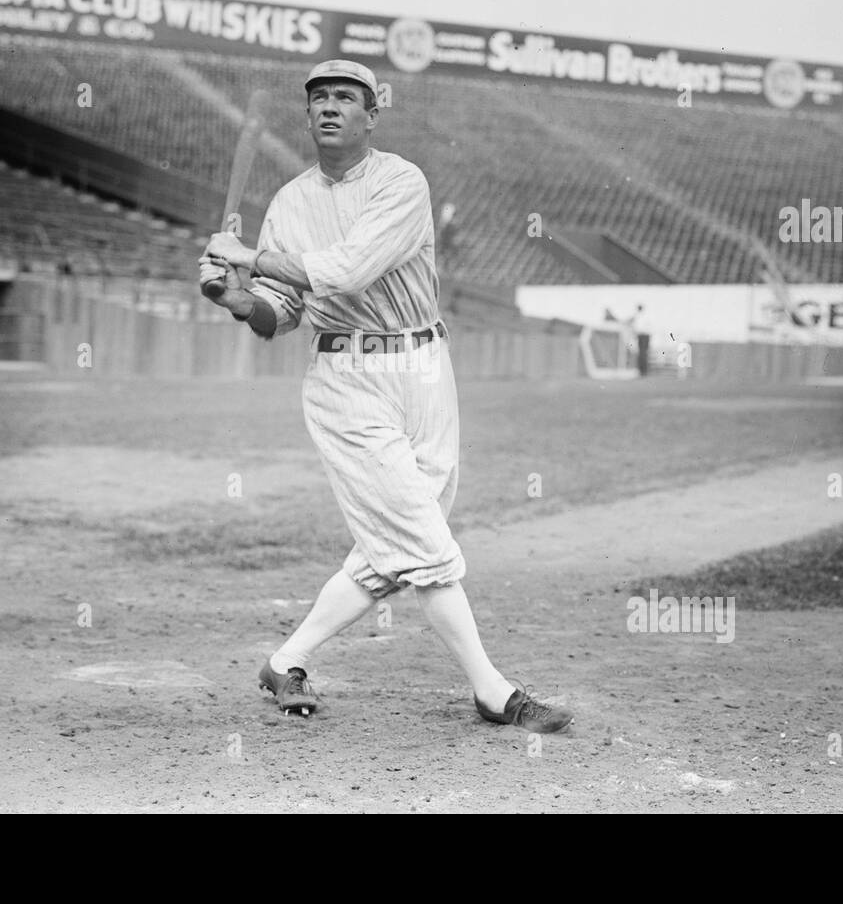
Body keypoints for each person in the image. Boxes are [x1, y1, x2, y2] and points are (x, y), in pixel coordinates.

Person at [199, 59, 572, 733]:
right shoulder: (289, 204)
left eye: (347, 98)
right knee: (422, 544)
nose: (331, 108)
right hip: (347, 383)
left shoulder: (401, 182)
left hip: (426, 369)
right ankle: (493, 691)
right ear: (308, 115)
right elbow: (279, 315)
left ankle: (288, 660)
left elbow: (346, 271)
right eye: (319, 99)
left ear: (372, 115)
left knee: (394, 545)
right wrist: (235, 298)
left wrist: (248, 256)